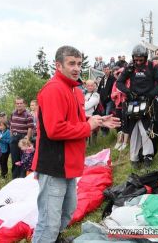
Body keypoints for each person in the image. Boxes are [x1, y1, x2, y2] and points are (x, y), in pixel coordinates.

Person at [31, 46, 120, 243]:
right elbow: (55, 129)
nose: (76, 68)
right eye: (71, 63)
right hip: (54, 165)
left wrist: (95, 120)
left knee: (67, 211)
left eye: (79, 64)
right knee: (49, 223)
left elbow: (73, 119)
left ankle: (55, 239)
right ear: (58, 65)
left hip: (69, 163)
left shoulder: (72, 89)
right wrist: (88, 127)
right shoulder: (54, 89)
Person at [116, 44, 158, 169]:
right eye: (136, 59)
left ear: (145, 57)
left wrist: (150, 95)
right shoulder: (130, 67)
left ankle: (148, 156)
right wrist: (128, 92)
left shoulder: (152, 66)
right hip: (133, 102)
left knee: (146, 130)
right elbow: (119, 82)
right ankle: (134, 157)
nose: (138, 62)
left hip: (148, 102)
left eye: (140, 60)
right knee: (134, 131)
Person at [9, 97, 34, 179]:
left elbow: (30, 128)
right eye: (17, 103)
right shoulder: (13, 113)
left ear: (24, 104)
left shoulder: (28, 114)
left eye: (21, 103)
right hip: (14, 138)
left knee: (23, 159)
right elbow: (11, 125)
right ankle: (14, 178)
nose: (19, 105)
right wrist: (11, 135)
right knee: (14, 159)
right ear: (15, 104)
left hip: (23, 138)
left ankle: (22, 178)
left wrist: (27, 139)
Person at [111, 67, 129, 151]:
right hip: (118, 105)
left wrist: (122, 92)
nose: (120, 75)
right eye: (119, 74)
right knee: (118, 123)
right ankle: (119, 141)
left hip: (126, 105)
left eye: (122, 74)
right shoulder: (115, 83)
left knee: (126, 123)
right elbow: (112, 95)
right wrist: (115, 94)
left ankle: (125, 142)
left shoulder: (128, 82)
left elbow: (129, 93)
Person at [98, 64, 115, 135]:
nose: (106, 71)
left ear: (110, 70)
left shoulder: (113, 78)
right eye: (105, 69)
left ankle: (106, 132)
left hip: (109, 100)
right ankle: (103, 131)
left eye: (107, 69)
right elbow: (99, 89)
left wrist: (109, 96)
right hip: (102, 101)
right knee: (103, 115)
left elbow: (113, 89)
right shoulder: (102, 79)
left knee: (107, 115)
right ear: (103, 70)